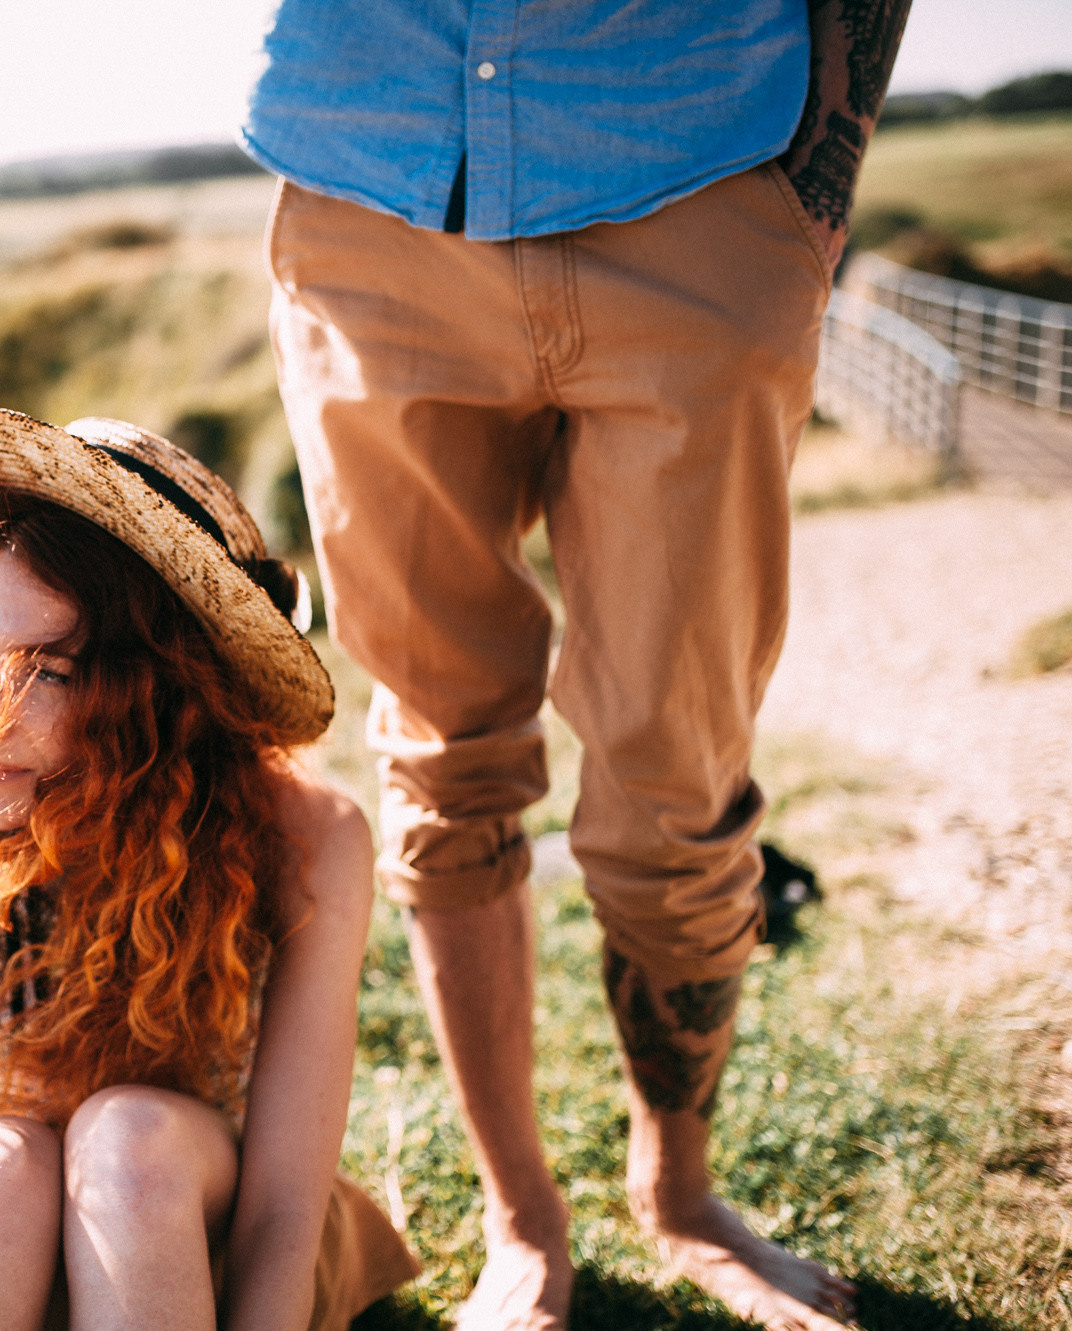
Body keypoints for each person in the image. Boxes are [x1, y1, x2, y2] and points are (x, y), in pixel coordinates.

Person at [243, 3, 911, 1330]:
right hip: (370, 200)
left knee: (679, 763)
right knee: (440, 741)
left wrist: (822, 176)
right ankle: (522, 1220)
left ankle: (681, 1190)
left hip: (696, 180)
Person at [0, 404, 418, 1331]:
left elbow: (285, 1205)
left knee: (128, 1141)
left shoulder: (301, 836)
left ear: (161, 682)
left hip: (195, 1243)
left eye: (49, 670)